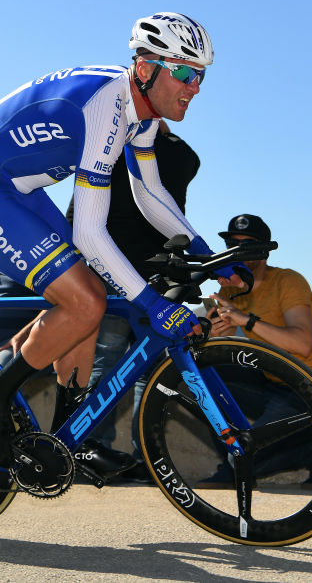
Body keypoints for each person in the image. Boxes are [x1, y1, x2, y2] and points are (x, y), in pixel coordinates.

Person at [0, 12, 242, 470]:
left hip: (17, 188)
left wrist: (206, 253)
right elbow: (90, 233)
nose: (194, 85)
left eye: (199, 75)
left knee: (90, 305)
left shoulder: (139, 113)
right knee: (85, 301)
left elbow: (150, 192)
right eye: (183, 71)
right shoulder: (106, 108)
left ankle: (64, 439)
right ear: (145, 68)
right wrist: (152, 304)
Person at [63, 117, 201, 479]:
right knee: (151, 371)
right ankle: (149, 457)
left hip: (107, 268)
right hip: (159, 276)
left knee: (104, 362)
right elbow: (180, 160)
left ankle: (88, 448)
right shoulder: (181, 158)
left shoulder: (108, 157)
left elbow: (75, 216)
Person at [201, 214, 312, 486]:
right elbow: (218, 343)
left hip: (308, 389)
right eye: (232, 243)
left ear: (264, 251)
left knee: (244, 460)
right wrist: (212, 332)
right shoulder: (230, 289)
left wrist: (244, 319)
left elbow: (302, 344)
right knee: (200, 375)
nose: (238, 249)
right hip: (271, 382)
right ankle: (232, 466)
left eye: (247, 244)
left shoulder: (288, 281)